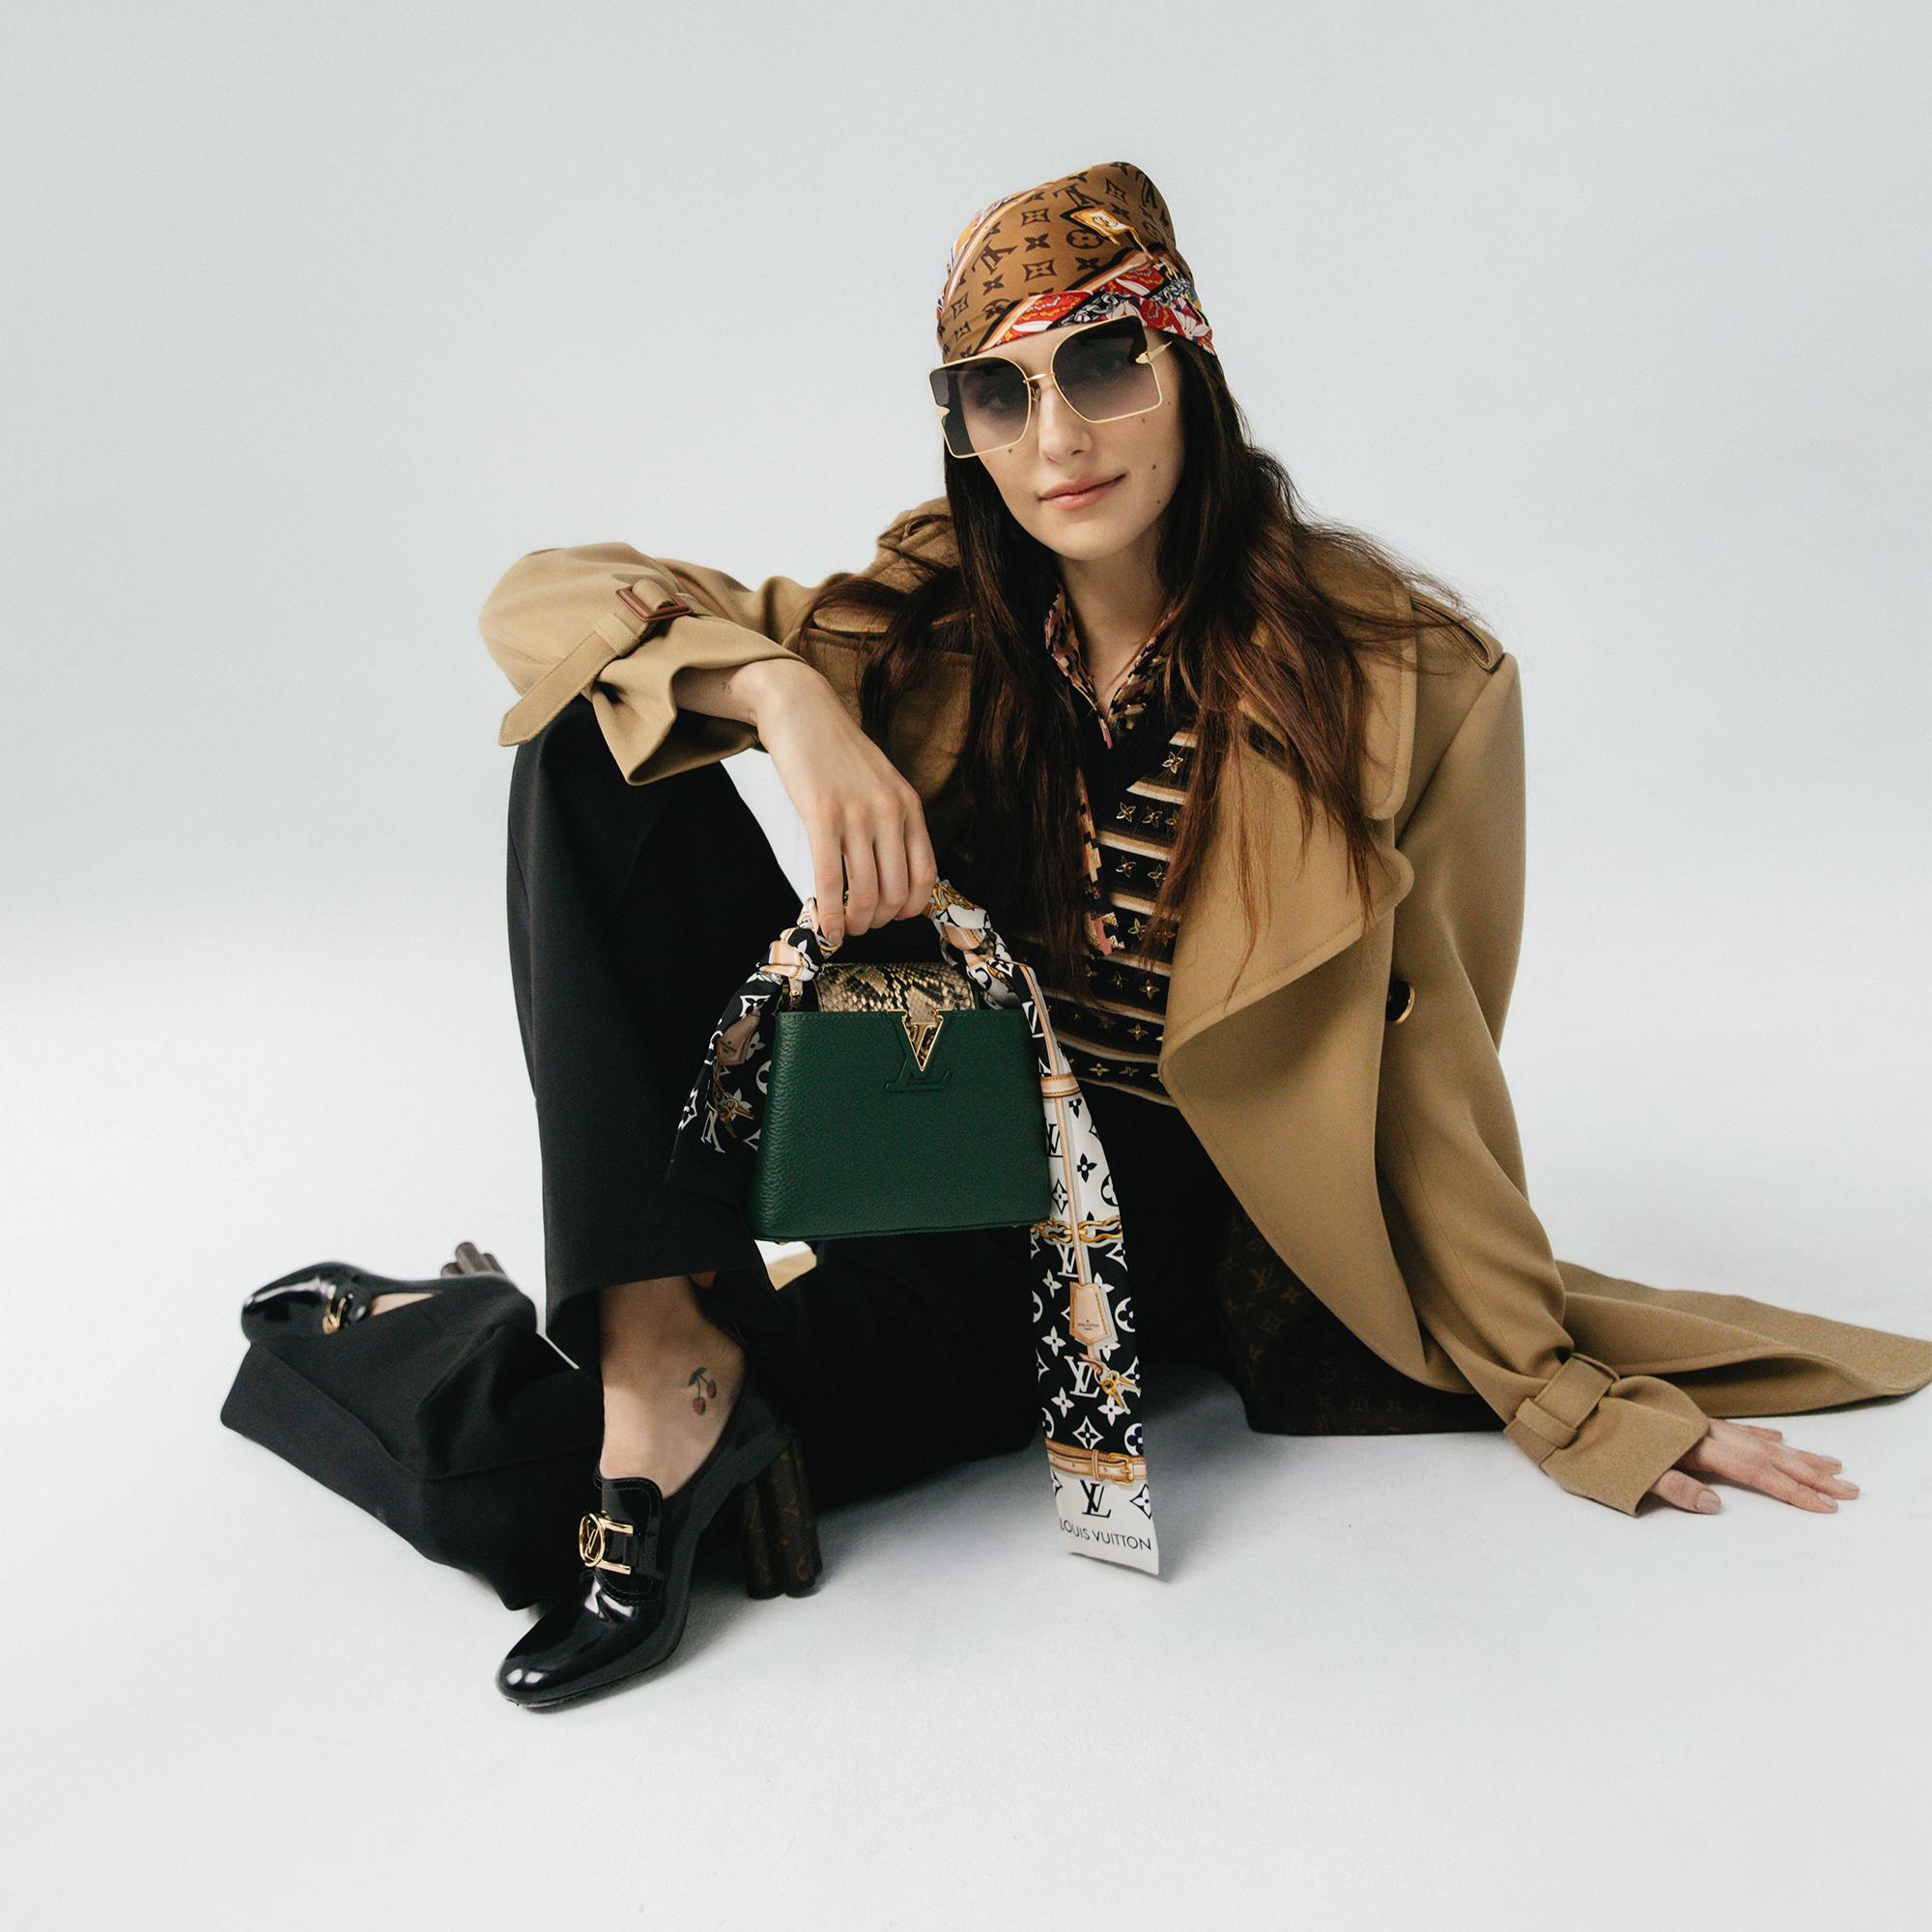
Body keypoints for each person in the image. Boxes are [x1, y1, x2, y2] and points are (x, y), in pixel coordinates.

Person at [263, 160, 1932, 1709]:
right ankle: (654, 1357)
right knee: (592, 737)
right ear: (965, 432)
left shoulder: (1404, 677)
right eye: (1000, 394)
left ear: (1187, 367)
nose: (1057, 434)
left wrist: (1560, 1389)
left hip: (1139, 1260)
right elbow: (543, 599)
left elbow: (1433, 1071)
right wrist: (782, 697)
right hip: (928, 1161)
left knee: (513, 1494)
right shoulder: (921, 623)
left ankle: (448, 1330)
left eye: (1103, 363)